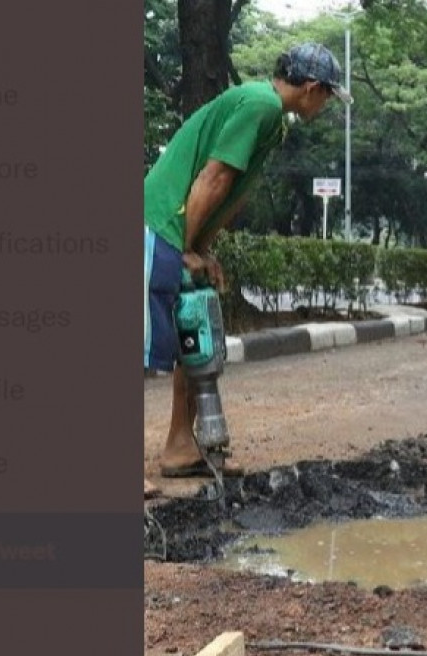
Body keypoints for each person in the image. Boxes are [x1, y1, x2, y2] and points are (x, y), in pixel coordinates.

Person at [143, 43, 351, 497]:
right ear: (312, 88)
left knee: (191, 328)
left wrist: (202, 248)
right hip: (156, 224)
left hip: (176, 232)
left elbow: (229, 193)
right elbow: (212, 177)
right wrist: (185, 248)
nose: (327, 105)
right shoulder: (260, 105)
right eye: (328, 96)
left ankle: (180, 446)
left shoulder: (273, 122)